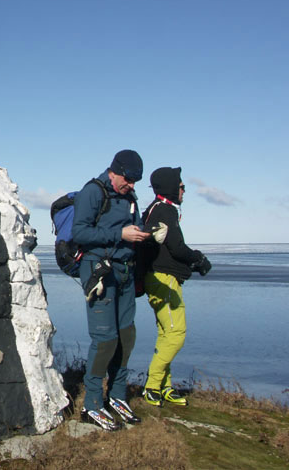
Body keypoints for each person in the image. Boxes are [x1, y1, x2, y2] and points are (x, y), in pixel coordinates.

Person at [72, 150, 151, 431]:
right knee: (105, 339)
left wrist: (143, 232)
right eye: (128, 180)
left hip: (126, 271)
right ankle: (92, 404)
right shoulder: (92, 192)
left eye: (135, 182)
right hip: (99, 271)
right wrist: (121, 234)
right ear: (115, 171)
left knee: (126, 335)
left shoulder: (130, 197)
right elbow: (79, 233)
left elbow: (133, 227)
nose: (131, 186)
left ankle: (117, 396)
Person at [138, 167, 212, 407]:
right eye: (181, 186)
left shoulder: (156, 209)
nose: (184, 190)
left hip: (159, 278)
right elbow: (177, 247)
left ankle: (164, 387)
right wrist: (198, 259)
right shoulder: (165, 210)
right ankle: (151, 387)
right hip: (163, 279)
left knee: (165, 333)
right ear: (170, 187)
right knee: (177, 334)